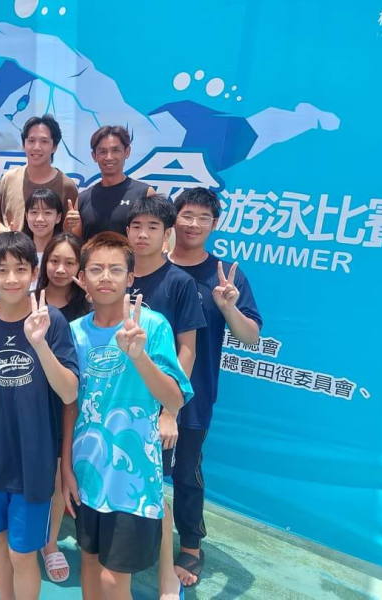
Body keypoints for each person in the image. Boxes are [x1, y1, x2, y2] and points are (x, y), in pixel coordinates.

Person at [62, 232, 193, 600]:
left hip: (133, 479)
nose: (106, 277)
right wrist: (65, 469)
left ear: (130, 278)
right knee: (89, 563)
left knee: (113, 579)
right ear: (82, 278)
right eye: (96, 269)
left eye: (116, 269)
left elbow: (174, 398)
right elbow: (70, 405)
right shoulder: (73, 332)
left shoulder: (153, 326)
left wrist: (138, 355)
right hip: (86, 473)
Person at [0, 231, 80, 600]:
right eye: (1, 270)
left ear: (33, 272)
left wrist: (39, 343)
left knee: (22, 553)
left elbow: (69, 392)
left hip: (33, 461)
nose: (11, 278)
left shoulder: (52, 320)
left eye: (20, 269)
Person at [167, 187, 263, 588]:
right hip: (139, 392)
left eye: (203, 218)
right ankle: (138, 533)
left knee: (186, 472)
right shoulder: (149, 264)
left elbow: (251, 337)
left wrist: (228, 307)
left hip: (195, 394)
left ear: (215, 224)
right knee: (136, 466)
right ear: (173, 218)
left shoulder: (226, 275)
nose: (193, 224)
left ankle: (191, 543)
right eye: (186, 215)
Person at [125, 194, 207, 599]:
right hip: (121, 403)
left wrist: (170, 411)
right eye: (136, 226)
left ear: (167, 234)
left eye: (153, 227)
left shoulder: (179, 282)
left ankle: (175, 566)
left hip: (160, 405)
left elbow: (186, 350)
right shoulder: (119, 275)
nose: (143, 234)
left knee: (162, 484)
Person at [30, 231, 91, 584]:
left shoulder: (87, 309)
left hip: (66, 402)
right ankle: (5, 534)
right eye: (54, 261)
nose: (60, 269)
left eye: (70, 262)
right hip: (25, 398)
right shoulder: (27, 298)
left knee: (56, 475)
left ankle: (49, 541)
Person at [0, 115, 79, 233]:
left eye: (44, 141)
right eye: (31, 141)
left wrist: (68, 227)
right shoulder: (9, 179)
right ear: (24, 145)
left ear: (54, 147)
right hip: (11, 245)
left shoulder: (66, 186)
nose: (37, 147)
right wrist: (3, 230)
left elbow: (73, 229)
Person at [66, 125, 154, 241]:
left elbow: (158, 238)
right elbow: (74, 243)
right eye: (103, 152)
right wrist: (68, 226)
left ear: (127, 152)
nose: (109, 157)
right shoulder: (83, 199)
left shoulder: (144, 193)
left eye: (115, 150)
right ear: (94, 156)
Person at [21, 188, 64, 291]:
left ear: (58, 217)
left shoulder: (65, 254)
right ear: (26, 216)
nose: (40, 219)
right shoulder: (17, 252)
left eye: (47, 212)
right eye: (34, 212)